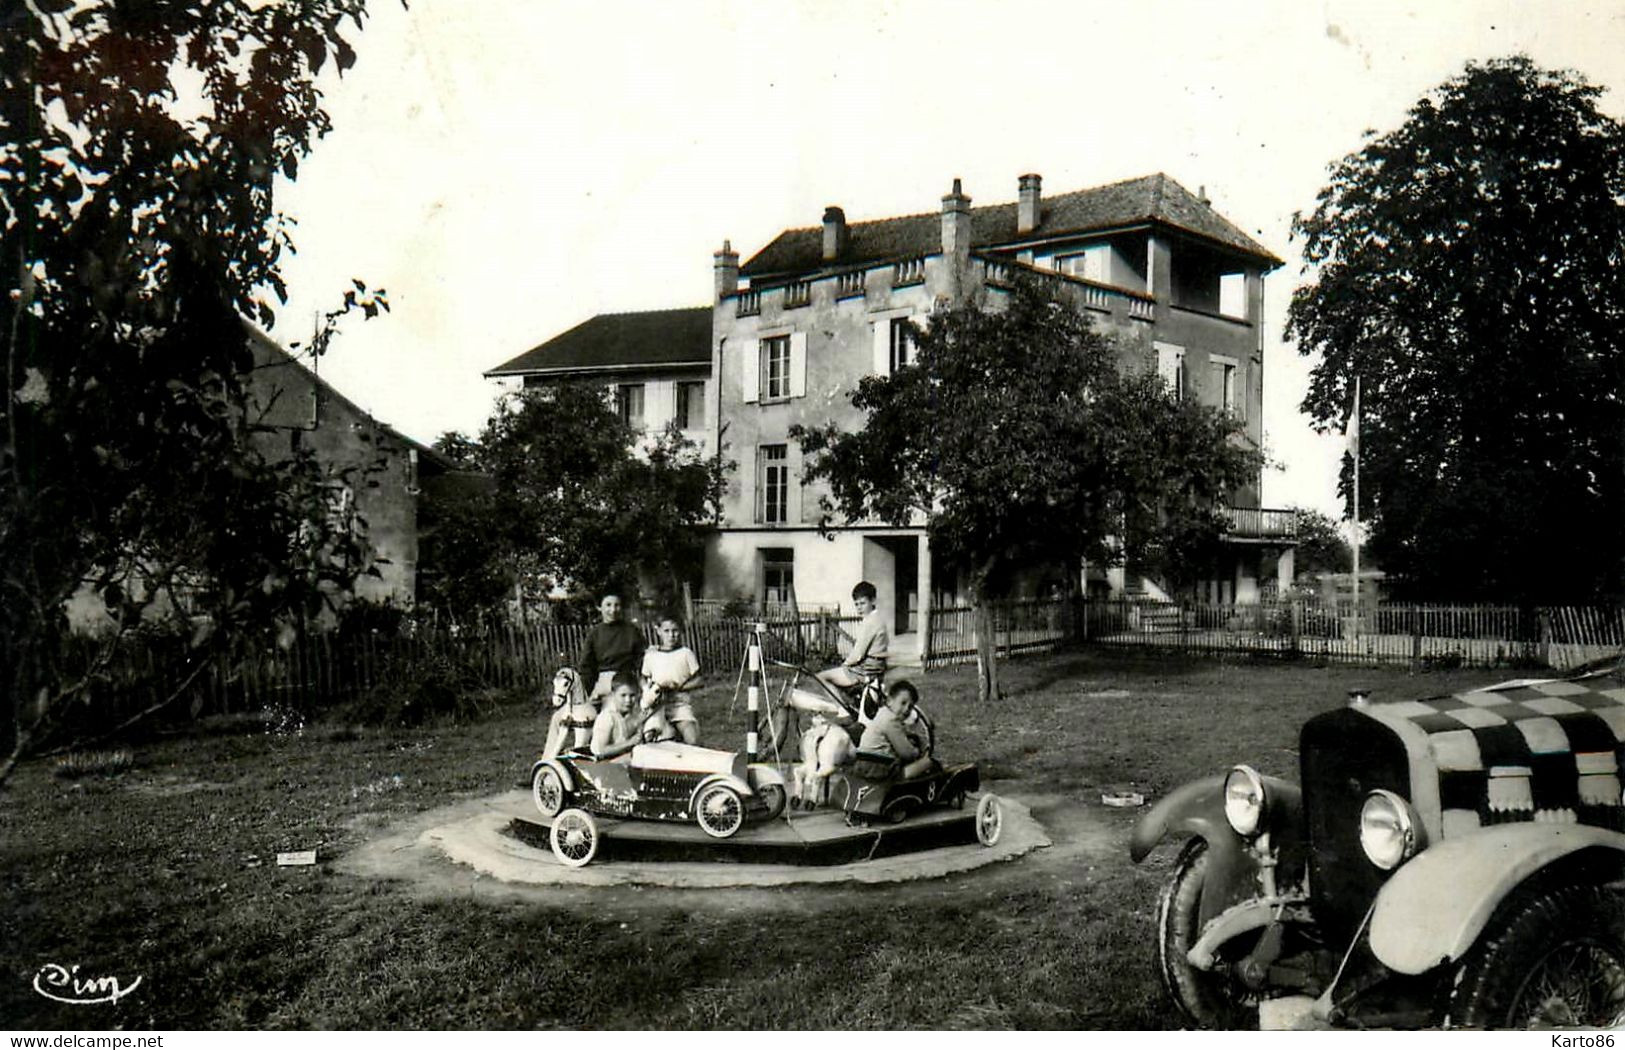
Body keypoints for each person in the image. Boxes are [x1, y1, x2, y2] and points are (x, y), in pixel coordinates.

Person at [816, 581, 888, 717]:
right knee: (837, 676)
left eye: (863, 603)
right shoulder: (877, 619)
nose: (859, 608)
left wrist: (845, 664)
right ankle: (852, 706)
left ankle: (842, 710)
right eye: (857, 604)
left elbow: (858, 654)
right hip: (875, 668)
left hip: (864, 671)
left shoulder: (870, 622)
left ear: (873, 601)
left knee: (821, 677)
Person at [639, 616, 702, 745]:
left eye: (675, 631)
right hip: (656, 706)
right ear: (659, 631)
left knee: (692, 739)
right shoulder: (652, 655)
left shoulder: (686, 653)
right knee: (647, 739)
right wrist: (649, 691)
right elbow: (643, 678)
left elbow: (699, 679)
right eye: (666, 631)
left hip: (679, 705)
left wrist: (679, 688)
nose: (671, 635)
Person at [855, 679, 934, 780]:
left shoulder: (882, 714)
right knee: (927, 762)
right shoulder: (891, 721)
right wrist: (917, 752)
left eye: (910, 707)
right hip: (878, 767)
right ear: (889, 701)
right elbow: (906, 753)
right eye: (903, 703)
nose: (906, 709)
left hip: (862, 762)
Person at [576, 593, 647, 702]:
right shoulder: (595, 634)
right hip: (604, 683)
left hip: (627, 681)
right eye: (608, 605)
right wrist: (589, 691)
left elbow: (643, 659)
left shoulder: (632, 631)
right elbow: (586, 666)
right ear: (600, 607)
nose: (613, 610)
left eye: (617, 605)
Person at [590, 673, 651, 762]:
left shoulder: (635, 713)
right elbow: (599, 750)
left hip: (629, 760)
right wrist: (629, 743)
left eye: (632, 695)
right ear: (613, 694)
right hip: (608, 765)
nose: (628, 700)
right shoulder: (607, 717)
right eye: (623, 695)